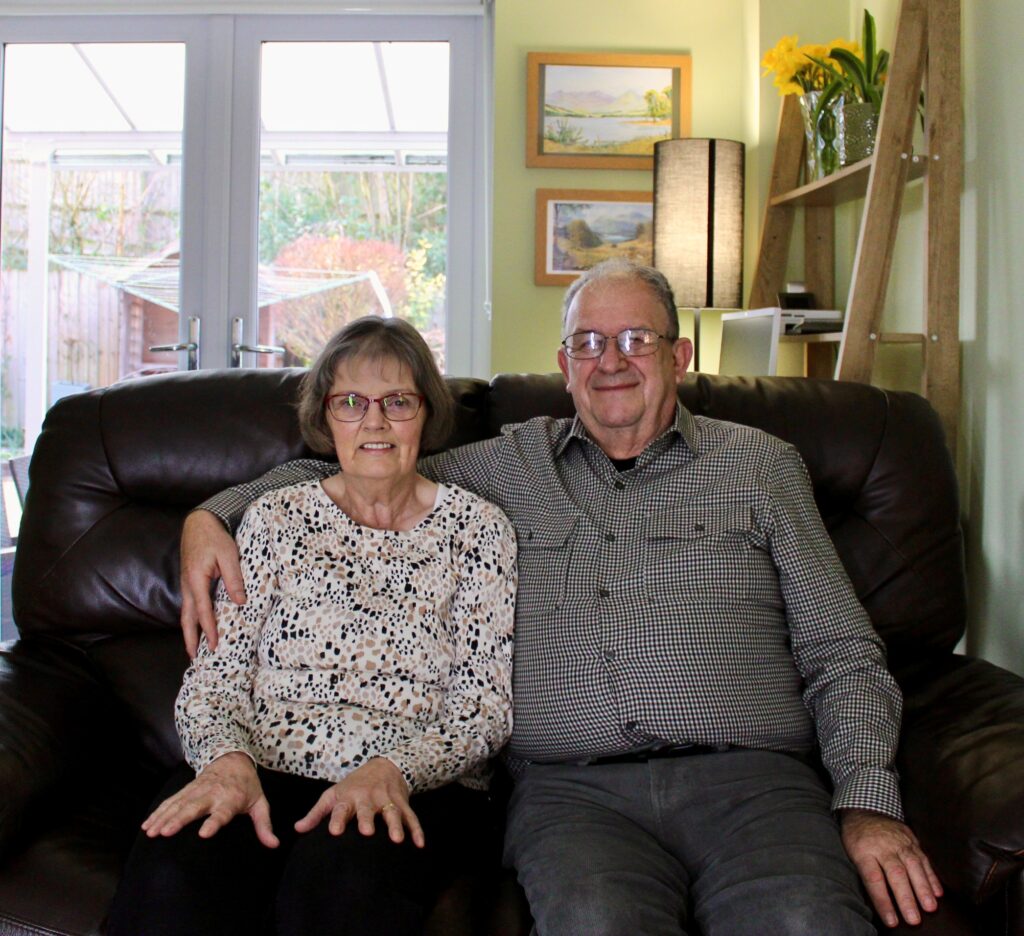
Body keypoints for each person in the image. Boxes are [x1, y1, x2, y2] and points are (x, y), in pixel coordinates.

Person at [180, 260, 942, 935]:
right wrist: (210, 515)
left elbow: (843, 652)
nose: (610, 361)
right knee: (596, 923)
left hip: (753, 785)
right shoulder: (504, 466)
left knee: (804, 921)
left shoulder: (761, 467)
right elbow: (363, 463)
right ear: (563, 364)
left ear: (679, 357)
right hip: (574, 796)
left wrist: (867, 803)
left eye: (635, 340)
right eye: (588, 343)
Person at [110, 317, 516, 936]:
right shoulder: (275, 518)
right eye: (350, 402)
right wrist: (226, 762)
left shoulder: (479, 530)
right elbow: (215, 678)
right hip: (259, 765)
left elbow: (484, 710)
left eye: (397, 402)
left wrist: (394, 770)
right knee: (174, 872)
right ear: (326, 418)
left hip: (410, 783)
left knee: (342, 890)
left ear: (427, 414)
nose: (374, 422)